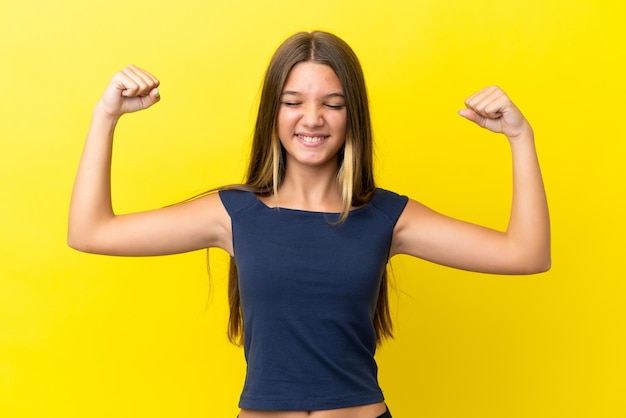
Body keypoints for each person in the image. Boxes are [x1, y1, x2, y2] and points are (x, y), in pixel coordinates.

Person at [68, 31, 550, 418]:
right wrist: (105, 116)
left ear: (351, 115)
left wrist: (519, 137)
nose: (312, 118)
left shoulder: (386, 217)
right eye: (293, 101)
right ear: (272, 112)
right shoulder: (232, 213)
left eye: (332, 104)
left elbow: (525, 254)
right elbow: (90, 232)